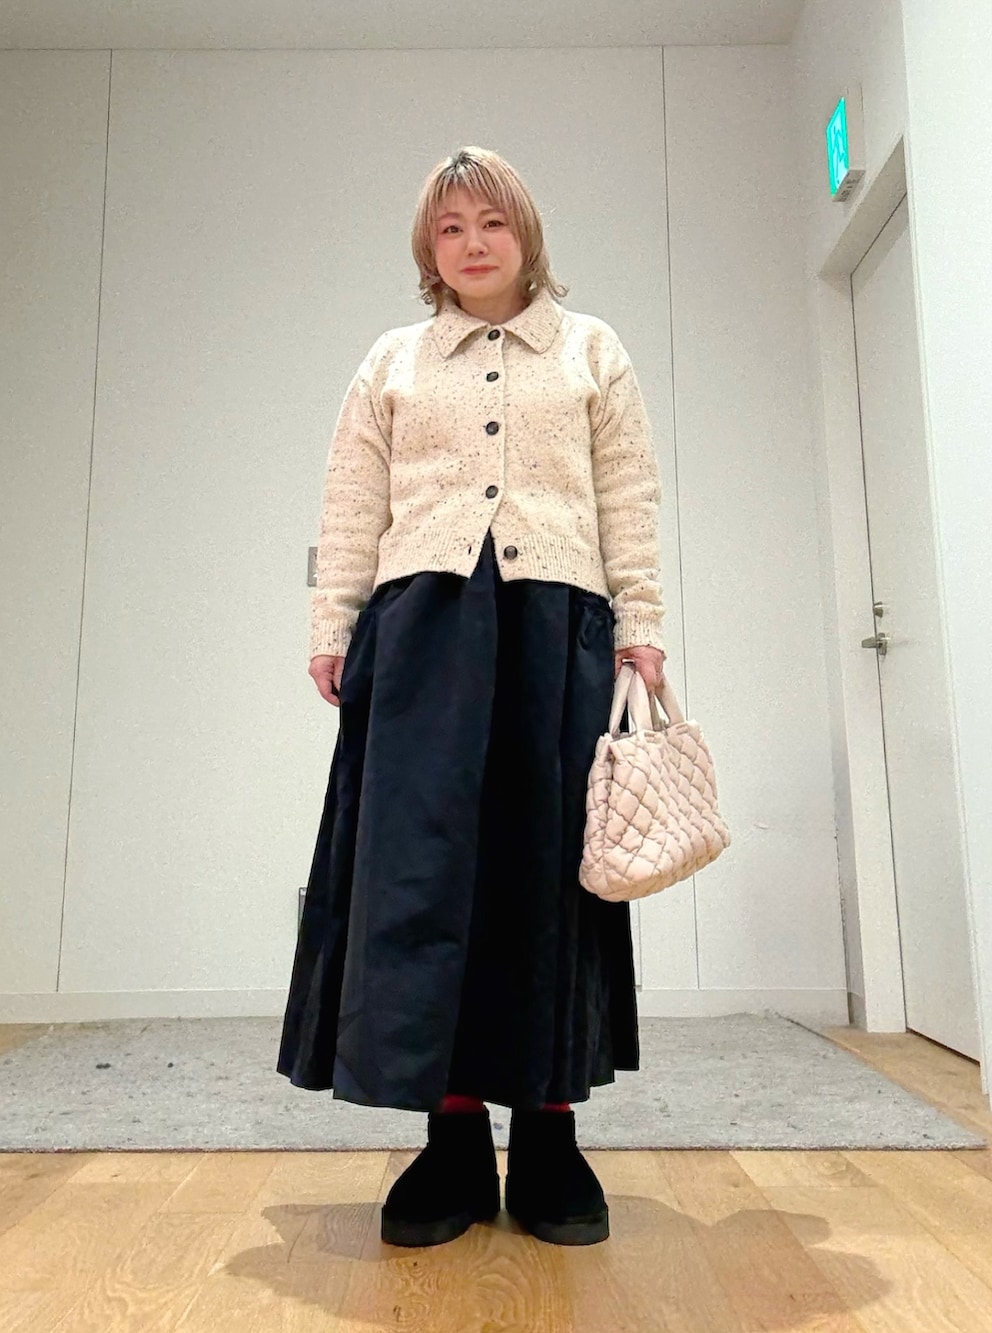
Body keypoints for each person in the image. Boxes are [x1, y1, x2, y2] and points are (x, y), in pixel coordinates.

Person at [277, 146, 667, 1249]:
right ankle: (449, 1133)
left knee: (548, 874)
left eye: (491, 222)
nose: (473, 244)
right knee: (423, 876)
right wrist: (331, 626)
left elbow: (628, 494)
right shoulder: (392, 361)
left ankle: (548, 1131)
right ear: (428, 250)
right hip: (421, 637)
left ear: (525, 233)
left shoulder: (591, 350)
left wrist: (640, 623)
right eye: (449, 229)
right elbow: (351, 500)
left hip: (556, 635)